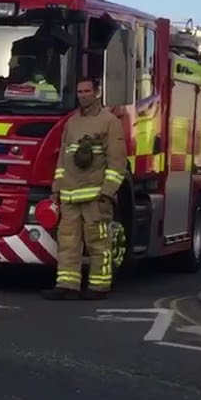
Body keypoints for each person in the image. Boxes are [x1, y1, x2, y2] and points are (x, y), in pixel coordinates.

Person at [44, 78, 127, 301]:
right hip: (70, 195)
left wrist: (108, 192)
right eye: (79, 91)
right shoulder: (71, 123)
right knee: (68, 242)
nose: (83, 95)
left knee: (98, 243)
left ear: (97, 92)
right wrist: (56, 189)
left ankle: (99, 286)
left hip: (95, 197)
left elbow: (117, 161)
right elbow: (63, 159)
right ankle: (67, 285)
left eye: (87, 91)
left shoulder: (110, 121)